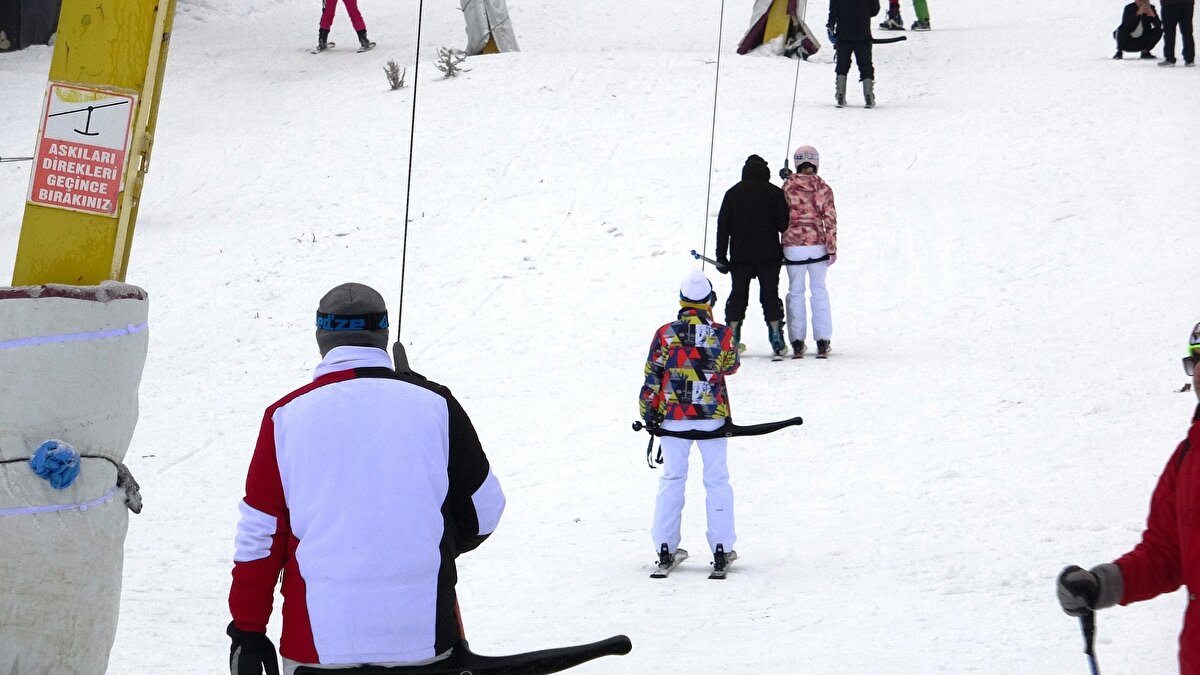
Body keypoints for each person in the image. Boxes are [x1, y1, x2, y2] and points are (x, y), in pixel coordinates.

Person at [227, 282, 505, 675]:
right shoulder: (437, 404)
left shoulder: (284, 417)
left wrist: (248, 630)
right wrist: (431, 542)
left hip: (317, 647)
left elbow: (260, 537)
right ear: (384, 333)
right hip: (423, 639)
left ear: (321, 337)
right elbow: (484, 511)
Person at [1057, 322, 1200, 673]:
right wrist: (1101, 584)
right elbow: (1166, 552)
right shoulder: (1186, 458)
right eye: (1196, 360)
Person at [639, 270, 741, 575]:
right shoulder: (723, 334)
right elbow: (730, 366)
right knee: (717, 479)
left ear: (682, 300)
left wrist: (648, 413)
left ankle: (665, 547)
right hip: (712, 419)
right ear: (710, 300)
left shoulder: (665, 334)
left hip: (673, 419)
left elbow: (652, 375)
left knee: (672, 479)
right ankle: (722, 547)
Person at [715, 155, 791, 358]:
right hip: (769, 254)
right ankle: (776, 335)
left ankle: (732, 337)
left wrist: (721, 256)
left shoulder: (732, 193)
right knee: (770, 295)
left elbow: (723, 227)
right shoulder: (774, 193)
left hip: (740, 255)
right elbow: (783, 225)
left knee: (738, 294)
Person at [780, 145, 837, 359]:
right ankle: (822, 340)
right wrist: (831, 247)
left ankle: (797, 341)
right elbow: (830, 219)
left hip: (793, 245)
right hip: (817, 245)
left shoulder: (788, 186)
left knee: (795, 292)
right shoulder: (823, 188)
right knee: (819, 290)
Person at [828, 0, 882, 108]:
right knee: (865, 64)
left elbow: (833, 9)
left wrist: (831, 25)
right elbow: (875, 9)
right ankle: (868, 95)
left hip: (843, 33)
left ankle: (840, 94)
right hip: (863, 32)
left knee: (842, 64)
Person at [1158, 0, 1195, 65]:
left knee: (1169, 31)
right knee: (1187, 31)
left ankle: (1170, 58)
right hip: (1188, 3)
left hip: (1169, 3)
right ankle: (1190, 58)